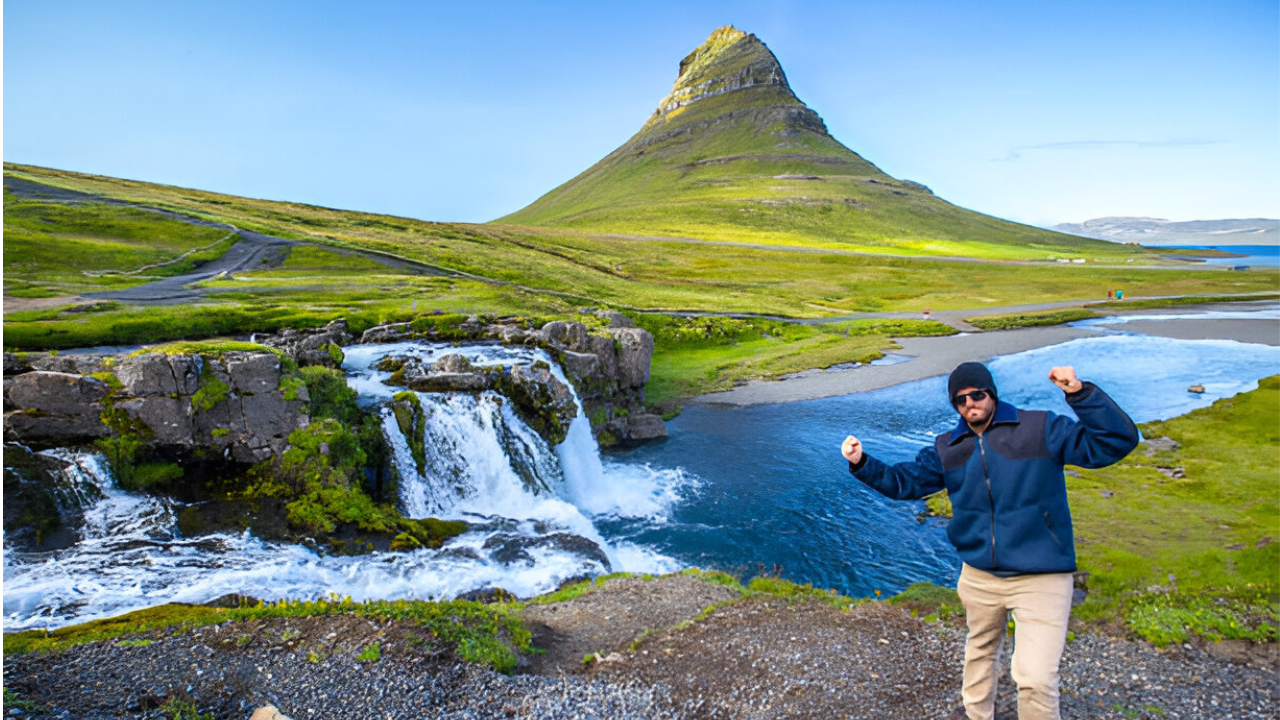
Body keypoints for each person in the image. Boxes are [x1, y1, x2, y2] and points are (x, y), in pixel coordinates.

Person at [840, 361, 1138, 720]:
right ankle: (976, 715)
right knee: (979, 652)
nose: (970, 404)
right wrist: (861, 462)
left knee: (1035, 677)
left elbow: (1114, 442)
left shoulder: (1040, 428)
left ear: (991, 394)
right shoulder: (948, 447)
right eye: (960, 399)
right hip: (979, 575)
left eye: (977, 395)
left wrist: (1080, 393)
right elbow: (906, 482)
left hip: (1042, 575)